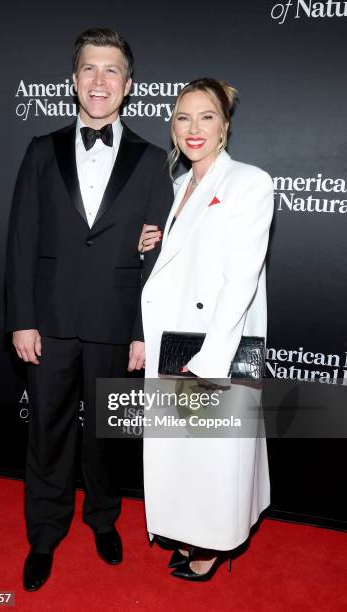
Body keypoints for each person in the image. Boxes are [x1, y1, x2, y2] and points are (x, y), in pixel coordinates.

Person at [5, 28, 173, 591]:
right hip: (47, 324)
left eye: (111, 71)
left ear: (128, 86)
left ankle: (103, 519)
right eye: (89, 69)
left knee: (106, 434)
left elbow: (158, 259)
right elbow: (21, 239)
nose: (99, 81)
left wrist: (141, 331)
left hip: (114, 325)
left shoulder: (153, 161)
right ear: (73, 80)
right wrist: (22, 319)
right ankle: (45, 533)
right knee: (47, 435)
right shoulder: (40, 150)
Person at [139, 78, 274, 581]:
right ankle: (190, 528)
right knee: (183, 449)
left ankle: (215, 543)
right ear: (172, 128)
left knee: (214, 452)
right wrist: (148, 244)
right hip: (174, 338)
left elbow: (242, 278)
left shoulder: (249, 182)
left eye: (206, 117)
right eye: (183, 118)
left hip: (215, 341)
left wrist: (215, 357)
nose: (194, 129)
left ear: (225, 127)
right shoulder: (175, 188)